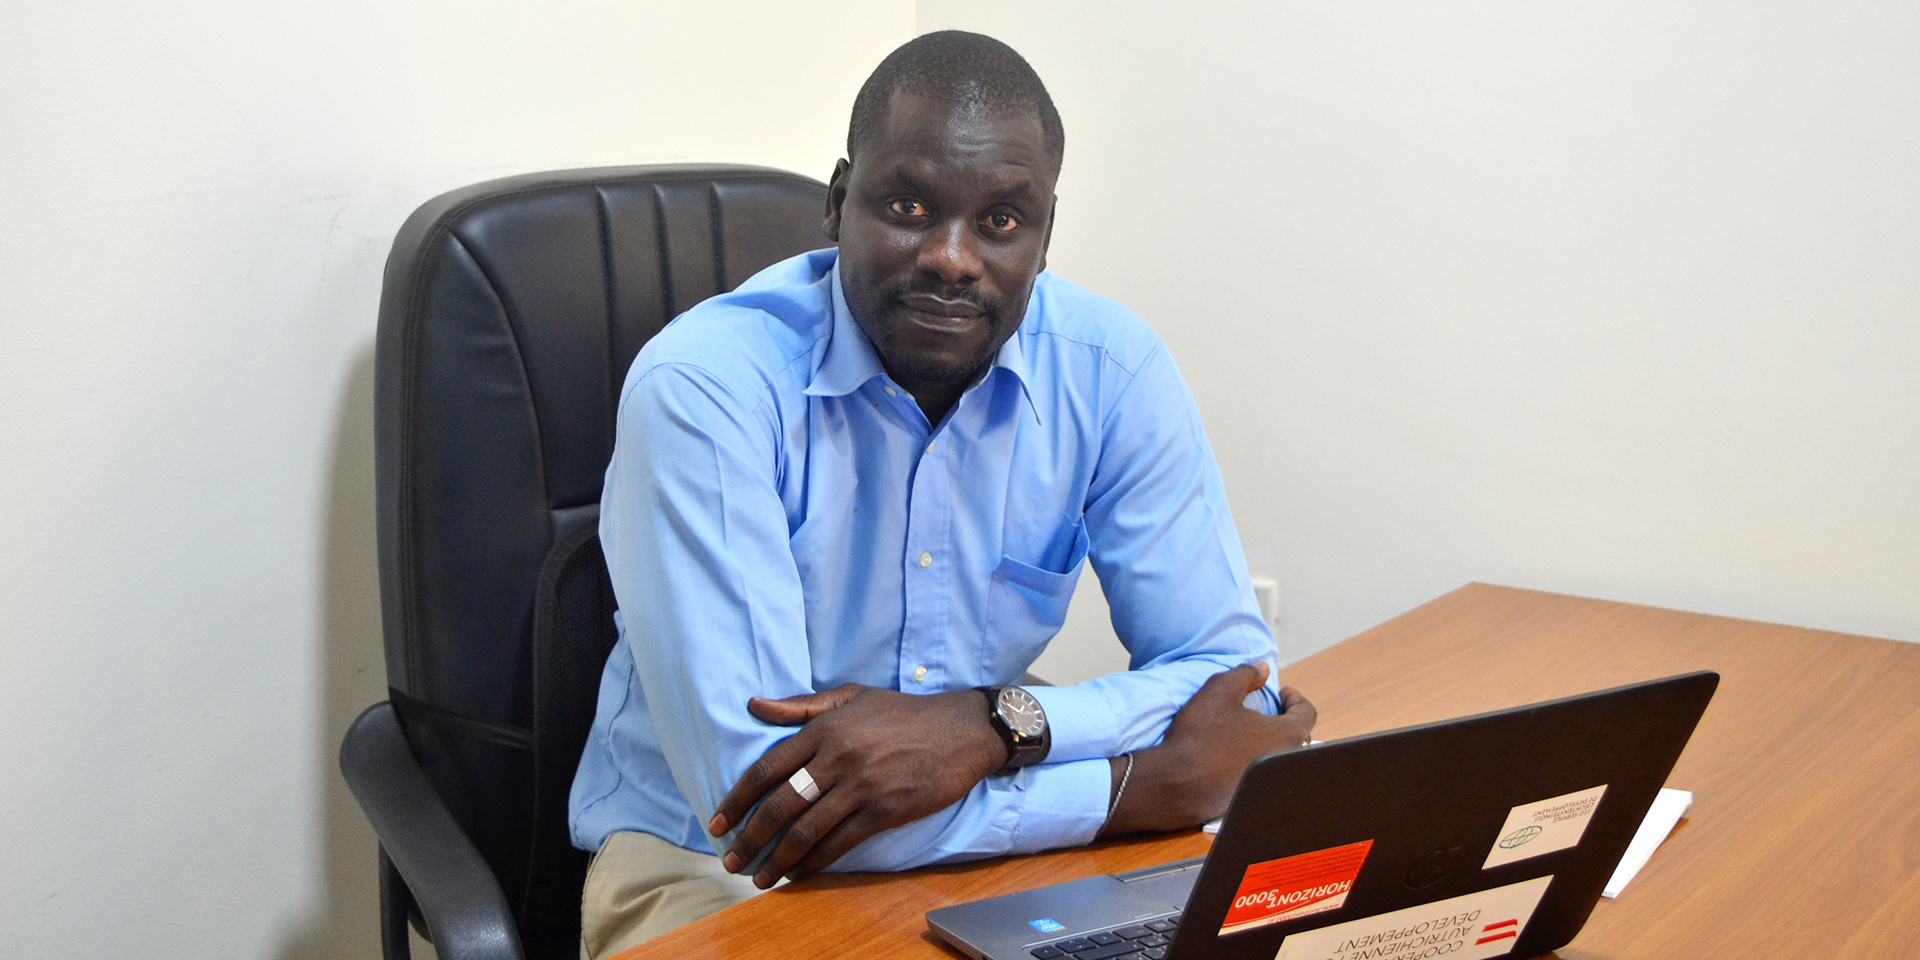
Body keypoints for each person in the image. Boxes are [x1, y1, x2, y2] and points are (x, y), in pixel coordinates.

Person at [568, 30, 1316, 959]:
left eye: (1000, 220)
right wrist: (1136, 789)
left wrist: (991, 725)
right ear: (839, 202)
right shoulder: (706, 389)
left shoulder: (1111, 369)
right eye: (909, 207)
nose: (953, 258)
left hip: (989, 825)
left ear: (1044, 235)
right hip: (713, 865)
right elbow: (770, 801)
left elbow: (1234, 687)